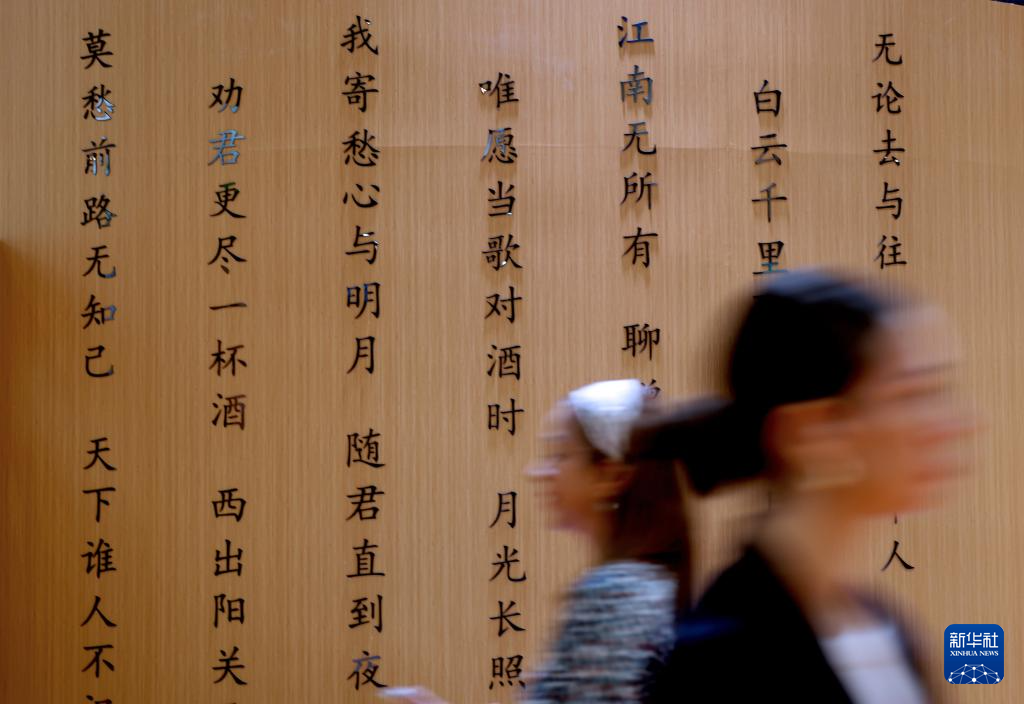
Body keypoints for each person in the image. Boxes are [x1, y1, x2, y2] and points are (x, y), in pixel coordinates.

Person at [637, 270, 973, 703]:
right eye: (911, 396)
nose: (952, 425)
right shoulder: (722, 657)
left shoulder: (885, 625)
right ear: (811, 432)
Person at [385, 379, 689, 704]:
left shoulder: (616, 593)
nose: (537, 472)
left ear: (611, 475)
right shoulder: (650, 583)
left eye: (560, 455)